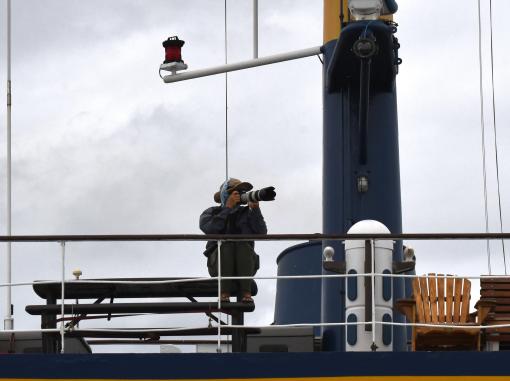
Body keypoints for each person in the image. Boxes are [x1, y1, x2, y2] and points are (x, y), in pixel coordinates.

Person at [200, 178, 267, 303]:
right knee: (227, 244)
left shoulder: (247, 213)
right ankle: (224, 294)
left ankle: (246, 294)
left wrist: (256, 210)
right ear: (226, 195)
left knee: (242, 244)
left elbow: (262, 233)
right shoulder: (212, 212)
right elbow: (210, 229)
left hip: (245, 265)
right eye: (235, 192)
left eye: (242, 192)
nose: (240, 195)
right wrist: (227, 209)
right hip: (218, 266)